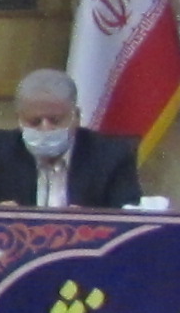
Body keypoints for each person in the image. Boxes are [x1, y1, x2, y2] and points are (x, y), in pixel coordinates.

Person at [11, 69, 142, 210]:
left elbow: (127, 214)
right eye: (34, 122)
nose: (46, 129)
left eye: (55, 120)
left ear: (76, 117)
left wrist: (89, 219)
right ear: (19, 120)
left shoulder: (113, 155)